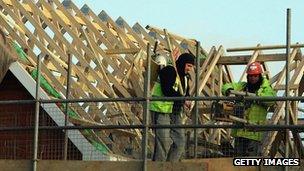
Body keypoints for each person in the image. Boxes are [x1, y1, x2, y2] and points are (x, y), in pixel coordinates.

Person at [222, 62, 276, 156]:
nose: (252, 78)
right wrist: (228, 90)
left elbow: (271, 100)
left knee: (250, 162)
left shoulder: (265, 89)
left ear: (259, 76)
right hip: (240, 131)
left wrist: (257, 97)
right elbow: (226, 86)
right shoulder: (242, 86)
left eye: (255, 76)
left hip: (254, 132)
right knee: (238, 160)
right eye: (250, 76)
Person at [150, 53, 195, 161]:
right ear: (182, 63)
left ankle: (170, 166)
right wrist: (183, 99)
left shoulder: (184, 79)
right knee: (163, 142)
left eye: (192, 67)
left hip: (175, 112)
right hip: (161, 110)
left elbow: (185, 94)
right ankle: (158, 168)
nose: (190, 69)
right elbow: (167, 90)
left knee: (180, 143)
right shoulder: (169, 71)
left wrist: (187, 100)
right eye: (188, 65)